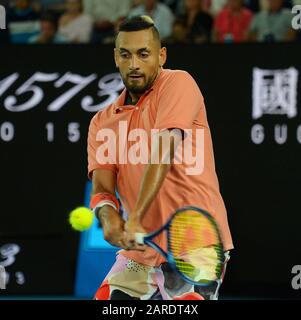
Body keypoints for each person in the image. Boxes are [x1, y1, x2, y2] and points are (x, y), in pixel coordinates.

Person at [87, 15, 233, 300]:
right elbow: (103, 188)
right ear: (115, 57)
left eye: (144, 54)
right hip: (142, 250)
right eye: (125, 55)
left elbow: (163, 151)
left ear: (161, 55)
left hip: (196, 242)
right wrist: (109, 219)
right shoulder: (101, 123)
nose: (134, 64)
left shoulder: (179, 83)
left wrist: (136, 216)